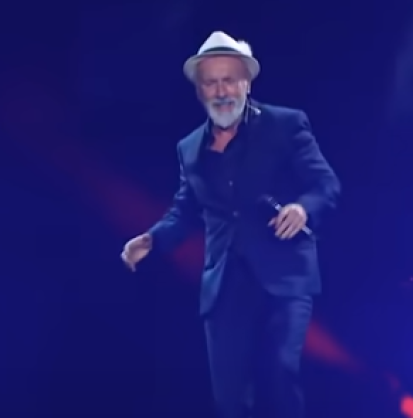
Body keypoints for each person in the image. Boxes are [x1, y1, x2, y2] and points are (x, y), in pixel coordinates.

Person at [120, 31, 340, 418]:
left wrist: (303, 209)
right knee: (229, 398)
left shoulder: (286, 125)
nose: (221, 91)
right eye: (211, 82)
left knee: (278, 377)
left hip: (283, 277)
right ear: (199, 91)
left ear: (246, 83)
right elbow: (185, 209)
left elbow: (325, 185)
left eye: (229, 80)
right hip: (224, 286)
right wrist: (152, 239)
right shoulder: (190, 148)